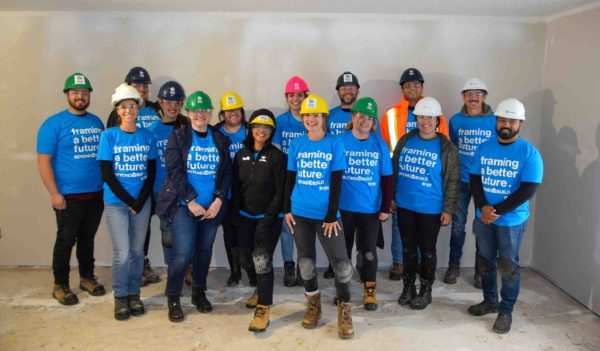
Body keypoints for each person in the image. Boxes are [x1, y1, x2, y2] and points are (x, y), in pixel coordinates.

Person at [467, 98, 543, 334]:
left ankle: (506, 311)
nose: (506, 124)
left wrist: (496, 211)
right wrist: (483, 207)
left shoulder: (530, 154)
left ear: (520, 123)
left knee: (508, 266)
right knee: (485, 262)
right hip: (484, 217)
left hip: (511, 221)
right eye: (502, 119)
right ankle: (490, 301)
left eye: (511, 120)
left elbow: (528, 190)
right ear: (496, 121)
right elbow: (475, 180)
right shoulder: (484, 147)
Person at [284, 94, 354, 339]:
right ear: (302, 118)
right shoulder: (297, 145)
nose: (311, 119)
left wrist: (332, 215)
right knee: (305, 262)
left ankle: (345, 309)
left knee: (342, 264)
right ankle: (313, 303)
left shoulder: (335, 144)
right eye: (307, 115)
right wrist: (287, 209)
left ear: (324, 118)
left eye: (316, 115)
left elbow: (337, 182)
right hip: (300, 212)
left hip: (327, 215)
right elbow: (290, 178)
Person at [158, 91, 232, 323]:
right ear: (188, 113)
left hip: (212, 207)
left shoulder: (220, 139)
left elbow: (226, 172)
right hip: (184, 206)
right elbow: (175, 172)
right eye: (195, 110)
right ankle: (173, 297)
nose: (200, 114)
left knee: (203, 251)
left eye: (204, 110)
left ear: (211, 112)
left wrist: (219, 199)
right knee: (182, 254)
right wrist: (190, 201)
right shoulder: (178, 137)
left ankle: (199, 292)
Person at [37, 73, 105, 306]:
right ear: (67, 94)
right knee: (66, 240)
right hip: (68, 196)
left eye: (84, 92)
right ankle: (60, 284)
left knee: (87, 239)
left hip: (96, 194)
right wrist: (54, 193)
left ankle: (87, 277)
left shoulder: (96, 122)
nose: (80, 96)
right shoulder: (53, 124)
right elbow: (43, 160)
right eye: (75, 92)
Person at [380, 68, 450, 281]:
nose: (412, 88)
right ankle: (399, 263)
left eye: (416, 85)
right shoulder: (391, 115)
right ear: (402, 89)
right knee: (401, 226)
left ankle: (419, 265)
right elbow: (384, 149)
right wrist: (389, 188)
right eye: (408, 85)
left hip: (428, 182)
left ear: (422, 87)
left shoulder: (436, 115)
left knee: (423, 229)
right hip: (400, 180)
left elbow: (444, 148)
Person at [392, 97, 459, 310]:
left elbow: (452, 181)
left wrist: (448, 209)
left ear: (437, 120)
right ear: (416, 119)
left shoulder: (446, 147)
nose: (425, 122)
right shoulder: (405, 140)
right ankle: (408, 287)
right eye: (421, 117)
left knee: (427, 250)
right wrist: (391, 196)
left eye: (430, 117)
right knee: (408, 249)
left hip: (431, 208)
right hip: (404, 205)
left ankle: (426, 290)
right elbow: (394, 170)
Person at [97, 84, 157, 320]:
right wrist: (129, 201)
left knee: (136, 252)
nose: (129, 110)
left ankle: (134, 295)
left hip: (141, 204)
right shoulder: (109, 136)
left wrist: (139, 201)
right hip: (116, 204)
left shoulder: (147, 136)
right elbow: (107, 174)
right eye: (124, 107)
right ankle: (120, 297)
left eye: (132, 106)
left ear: (138, 109)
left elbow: (151, 173)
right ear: (118, 111)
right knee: (121, 253)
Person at [107, 66, 162, 287]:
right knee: (124, 246)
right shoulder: (115, 120)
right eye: (136, 86)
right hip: (122, 192)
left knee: (143, 230)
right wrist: (130, 199)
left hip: (149, 184)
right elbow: (110, 162)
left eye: (144, 86)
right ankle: (125, 285)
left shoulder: (156, 110)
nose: (141, 89)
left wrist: (141, 196)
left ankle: (142, 264)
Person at [231, 109, 286, 333]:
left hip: (269, 218)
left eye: (266, 127)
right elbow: (235, 185)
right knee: (245, 257)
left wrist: (269, 219)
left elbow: (281, 191)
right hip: (245, 217)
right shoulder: (240, 154)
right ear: (250, 129)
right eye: (257, 126)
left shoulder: (277, 157)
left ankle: (263, 308)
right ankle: (258, 289)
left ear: (271, 131)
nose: (261, 131)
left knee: (262, 259)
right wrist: (234, 211)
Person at [339, 97, 393, 310]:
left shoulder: (380, 144)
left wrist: (385, 207)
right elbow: (331, 176)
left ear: (373, 122)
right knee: (343, 252)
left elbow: (387, 178)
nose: (364, 121)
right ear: (353, 117)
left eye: (369, 118)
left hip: (370, 209)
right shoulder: (339, 141)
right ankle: (343, 290)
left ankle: (370, 289)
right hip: (343, 208)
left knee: (369, 252)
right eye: (360, 116)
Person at [443, 78, 496, 288]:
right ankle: (453, 266)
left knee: (483, 226)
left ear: (484, 97)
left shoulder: (495, 120)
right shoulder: (455, 120)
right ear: (463, 97)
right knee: (457, 226)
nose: (473, 98)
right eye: (468, 94)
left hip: (485, 183)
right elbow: (453, 147)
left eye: (477, 94)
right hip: (461, 182)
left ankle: (480, 271)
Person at [273, 76, 310, 287]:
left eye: (299, 94)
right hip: (287, 180)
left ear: (306, 96)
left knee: (304, 226)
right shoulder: (280, 122)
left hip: (307, 181)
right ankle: (289, 264)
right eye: (291, 95)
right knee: (286, 226)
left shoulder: (313, 119)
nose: (295, 98)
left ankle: (304, 265)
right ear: (286, 97)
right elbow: (277, 154)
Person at [148, 81, 189, 267]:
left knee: (187, 233)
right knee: (167, 235)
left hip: (184, 190)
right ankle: (173, 272)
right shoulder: (152, 131)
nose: (173, 107)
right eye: (168, 102)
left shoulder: (188, 129)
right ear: (160, 102)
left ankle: (188, 269)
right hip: (161, 192)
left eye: (177, 102)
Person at [214, 92, 251, 287]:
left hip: (247, 190)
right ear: (222, 113)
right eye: (228, 111)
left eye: (236, 110)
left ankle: (249, 267)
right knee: (229, 232)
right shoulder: (215, 132)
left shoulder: (250, 130)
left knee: (246, 231)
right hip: (224, 191)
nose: (233, 114)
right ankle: (235, 270)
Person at [327, 71, 360, 136]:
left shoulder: (367, 116)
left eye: (351, 88)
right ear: (338, 92)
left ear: (358, 91)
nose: (347, 91)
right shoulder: (328, 116)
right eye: (343, 88)